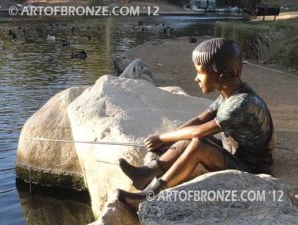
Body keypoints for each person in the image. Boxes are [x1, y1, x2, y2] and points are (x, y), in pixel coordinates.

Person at [115, 38, 275, 211]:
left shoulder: (242, 104)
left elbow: (199, 130)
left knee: (198, 143)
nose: (195, 79)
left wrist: (162, 137)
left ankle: (148, 196)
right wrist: (172, 141)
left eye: (200, 73)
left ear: (220, 75)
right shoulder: (229, 94)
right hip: (235, 154)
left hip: (251, 169)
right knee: (188, 139)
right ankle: (147, 172)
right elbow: (200, 119)